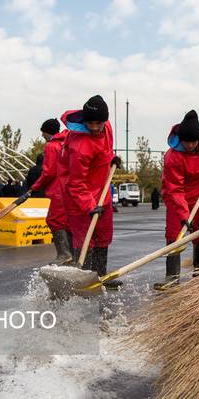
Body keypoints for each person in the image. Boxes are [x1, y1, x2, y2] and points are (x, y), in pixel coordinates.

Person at [58, 95, 122, 289]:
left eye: (98, 123)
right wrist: (89, 205)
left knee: (103, 235)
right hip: (79, 197)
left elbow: (104, 150)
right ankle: (84, 280)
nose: (94, 127)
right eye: (90, 123)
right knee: (85, 238)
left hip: (102, 191)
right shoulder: (80, 146)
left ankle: (101, 277)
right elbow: (76, 183)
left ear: (105, 121)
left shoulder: (107, 127)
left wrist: (112, 159)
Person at [156, 110, 199, 290]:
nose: (190, 145)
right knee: (175, 236)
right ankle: (172, 278)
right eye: (186, 142)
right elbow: (175, 189)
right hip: (177, 198)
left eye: (194, 142)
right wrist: (185, 215)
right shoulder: (172, 157)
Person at [28, 118, 73, 265]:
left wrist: (34, 187)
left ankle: (64, 254)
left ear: (48, 132)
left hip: (58, 188)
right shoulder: (66, 142)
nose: (42, 136)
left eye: (43, 133)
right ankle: (72, 254)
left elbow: (48, 172)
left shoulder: (51, 146)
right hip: (69, 188)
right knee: (67, 222)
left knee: (53, 220)